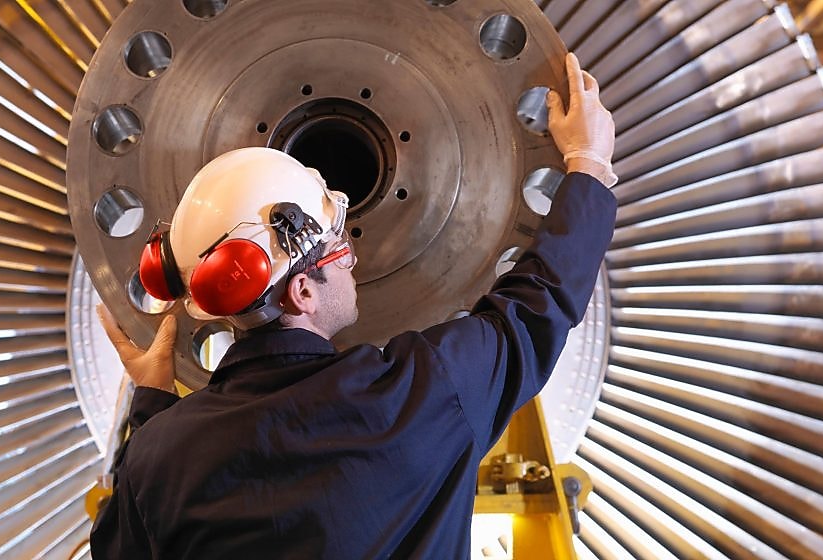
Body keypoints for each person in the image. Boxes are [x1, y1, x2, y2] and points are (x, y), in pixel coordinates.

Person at [90, 52, 618, 559]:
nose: (353, 258)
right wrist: (587, 163)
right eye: (338, 247)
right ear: (301, 292)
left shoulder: (158, 461)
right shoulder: (422, 395)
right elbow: (537, 305)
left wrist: (153, 403)